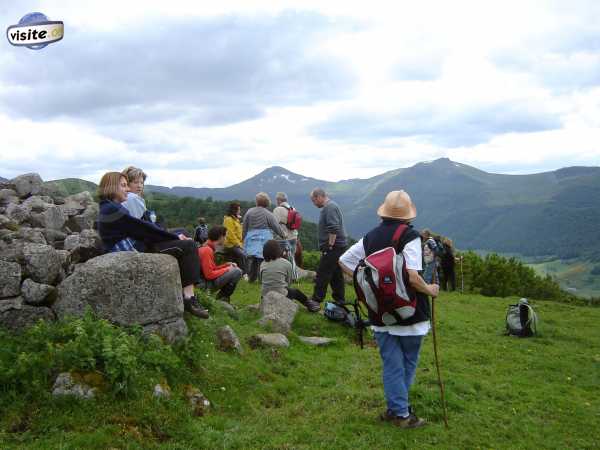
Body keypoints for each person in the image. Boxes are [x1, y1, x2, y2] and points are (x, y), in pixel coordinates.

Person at [338, 190, 439, 429]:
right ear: (407, 215)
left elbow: (343, 261)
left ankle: (396, 408)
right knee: (407, 363)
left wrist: (366, 285)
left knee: (391, 364)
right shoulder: (410, 236)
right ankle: (402, 414)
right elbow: (413, 277)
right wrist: (431, 290)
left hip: (379, 312)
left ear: (384, 212)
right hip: (410, 311)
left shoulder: (370, 237)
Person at [96, 172, 208, 319]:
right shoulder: (112, 209)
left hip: (135, 246)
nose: (128, 189)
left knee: (181, 238)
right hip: (134, 253)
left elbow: (140, 228)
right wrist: (173, 236)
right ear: (111, 187)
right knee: (189, 246)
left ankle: (187, 290)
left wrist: (167, 235)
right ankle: (189, 298)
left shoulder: (110, 207)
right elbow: (142, 229)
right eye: (123, 185)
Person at [304, 188, 347, 312]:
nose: (314, 203)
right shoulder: (331, 206)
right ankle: (340, 300)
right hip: (339, 246)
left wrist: (330, 245)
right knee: (336, 275)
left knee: (323, 273)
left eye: (314, 200)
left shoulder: (329, 208)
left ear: (319, 197)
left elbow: (333, 227)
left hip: (334, 247)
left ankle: (316, 300)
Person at [242, 192, 286, 283]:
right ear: (267, 202)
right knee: (261, 260)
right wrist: (283, 235)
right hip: (263, 239)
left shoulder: (249, 211)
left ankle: (252, 278)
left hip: (251, 238)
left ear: (257, 201)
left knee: (253, 259)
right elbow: (275, 226)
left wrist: (243, 237)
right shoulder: (267, 213)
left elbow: (244, 226)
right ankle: (261, 278)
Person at [198, 225, 243, 302]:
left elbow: (212, 268)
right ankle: (222, 299)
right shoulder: (207, 250)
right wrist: (227, 269)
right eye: (225, 236)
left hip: (203, 282)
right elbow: (209, 275)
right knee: (237, 271)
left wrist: (226, 265)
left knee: (233, 269)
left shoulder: (206, 247)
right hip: (204, 285)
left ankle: (222, 299)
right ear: (220, 237)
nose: (225, 239)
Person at [259, 240, 309, 308]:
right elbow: (289, 282)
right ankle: (311, 305)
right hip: (281, 295)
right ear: (278, 250)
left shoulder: (262, 264)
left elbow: (261, 280)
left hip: (264, 296)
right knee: (296, 292)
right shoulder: (286, 263)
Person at [272, 192, 299, 279]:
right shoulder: (293, 208)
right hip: (294, 237)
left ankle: (281, 276)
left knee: (279, 258)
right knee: (291, 257)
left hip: (282, 238)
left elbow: (275, 225)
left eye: (277, 200)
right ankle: (293, 276)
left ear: (279, 200)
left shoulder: (277, 209)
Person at [223, 202, 248, 277]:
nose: (239, 211)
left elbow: (238, 233)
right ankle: (245, 274)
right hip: (230, 245)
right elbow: (230, 235)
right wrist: (239, 245)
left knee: (245, 254)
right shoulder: (228, 220)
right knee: (243, 255)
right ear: (234, 210)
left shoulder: (236, 220)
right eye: (239, 209)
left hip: (236, 244)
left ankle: (242, 273)